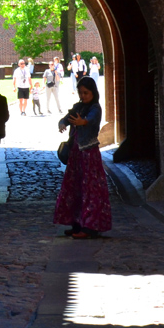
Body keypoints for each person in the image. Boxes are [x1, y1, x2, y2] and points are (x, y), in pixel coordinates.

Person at [54, 76, 112, 238]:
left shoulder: (95, 108)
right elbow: (66, 118)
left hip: (88, 154)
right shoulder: (78, 107)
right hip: (75, 154)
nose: (83, 96)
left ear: (93, 92)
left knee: (90, 189)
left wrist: (82, 122)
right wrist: (62, 123)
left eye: (86, 93)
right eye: (81, 93)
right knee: (75, 188)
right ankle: (77, 223)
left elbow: (90, 120)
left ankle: (90, 226)